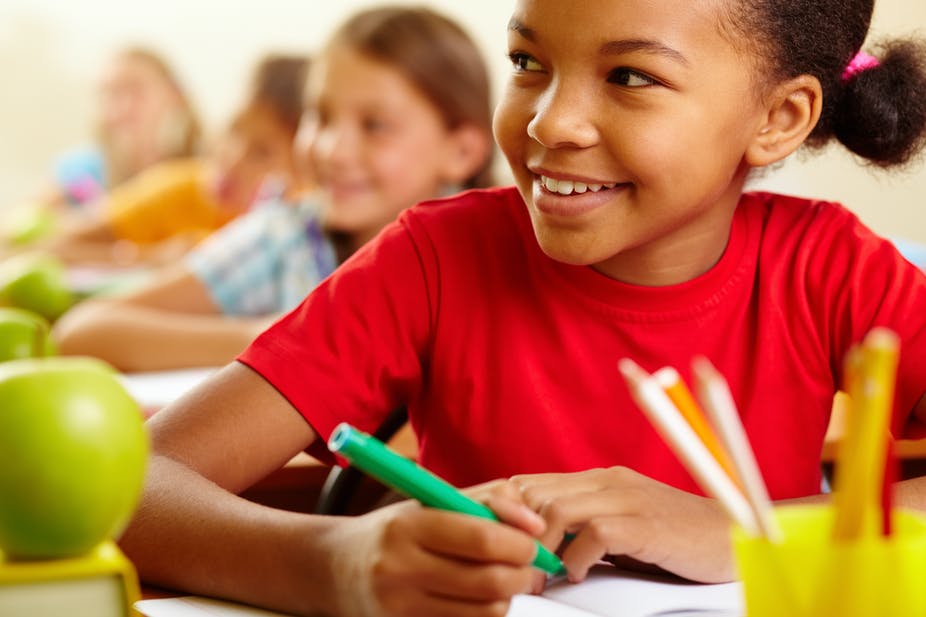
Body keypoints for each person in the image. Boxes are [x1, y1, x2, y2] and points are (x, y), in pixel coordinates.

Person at [118, 1, 926, 617]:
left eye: (630, 77)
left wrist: (744, 532)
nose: (548, 121)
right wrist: (338, 562)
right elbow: (136, 485)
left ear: (778, 119)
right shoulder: (433, 260)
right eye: (527, 60)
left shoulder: (831, 267)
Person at [51, 6, 494, 372]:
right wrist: (274, 336)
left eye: (375, 125)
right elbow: (84, 331)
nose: (331, 150)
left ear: (461, 151)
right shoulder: (284, 241)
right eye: (320, 116)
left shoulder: (500, 258)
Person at [29, 54, 309, 267]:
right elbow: (48, 245)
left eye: (262, 152)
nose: (232, 160)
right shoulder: (177, 188)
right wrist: (151, 256)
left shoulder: (307, 229)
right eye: (232, 132)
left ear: (303, 166)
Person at [50, 47, 201, 209]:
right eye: (112, 93)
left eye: (135, 90)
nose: (124, 106)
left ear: (174, 93)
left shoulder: (203, 169)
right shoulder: (80, 172)